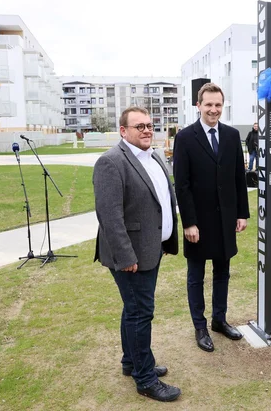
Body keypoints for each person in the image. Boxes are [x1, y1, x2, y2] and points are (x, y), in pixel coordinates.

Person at [93, 106, 181, 402]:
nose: (146, 130)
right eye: (139, 126)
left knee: (133, 309)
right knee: (141, 312)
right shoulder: (111, 162)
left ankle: (131, 363)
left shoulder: (154, 156)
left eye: (149, 125)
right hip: (130, 256)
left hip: (150, 249)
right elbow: (109, 216)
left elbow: (161, 202)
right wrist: (126, 256)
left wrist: (165, 240)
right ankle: (145, 379)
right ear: (123, 131)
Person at [173, 82, 250, 352]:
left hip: (226, 219)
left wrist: (242, 213)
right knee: (196, 275)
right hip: (199, 221)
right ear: (198, 105)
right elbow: (181, 184)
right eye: (208, 105)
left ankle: (219, 320)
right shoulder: (184, 138)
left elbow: (239, 178)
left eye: (218, 105)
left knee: (223, 273)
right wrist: (189, 223)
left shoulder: (231, 136)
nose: (213, 110)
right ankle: (200, 327)